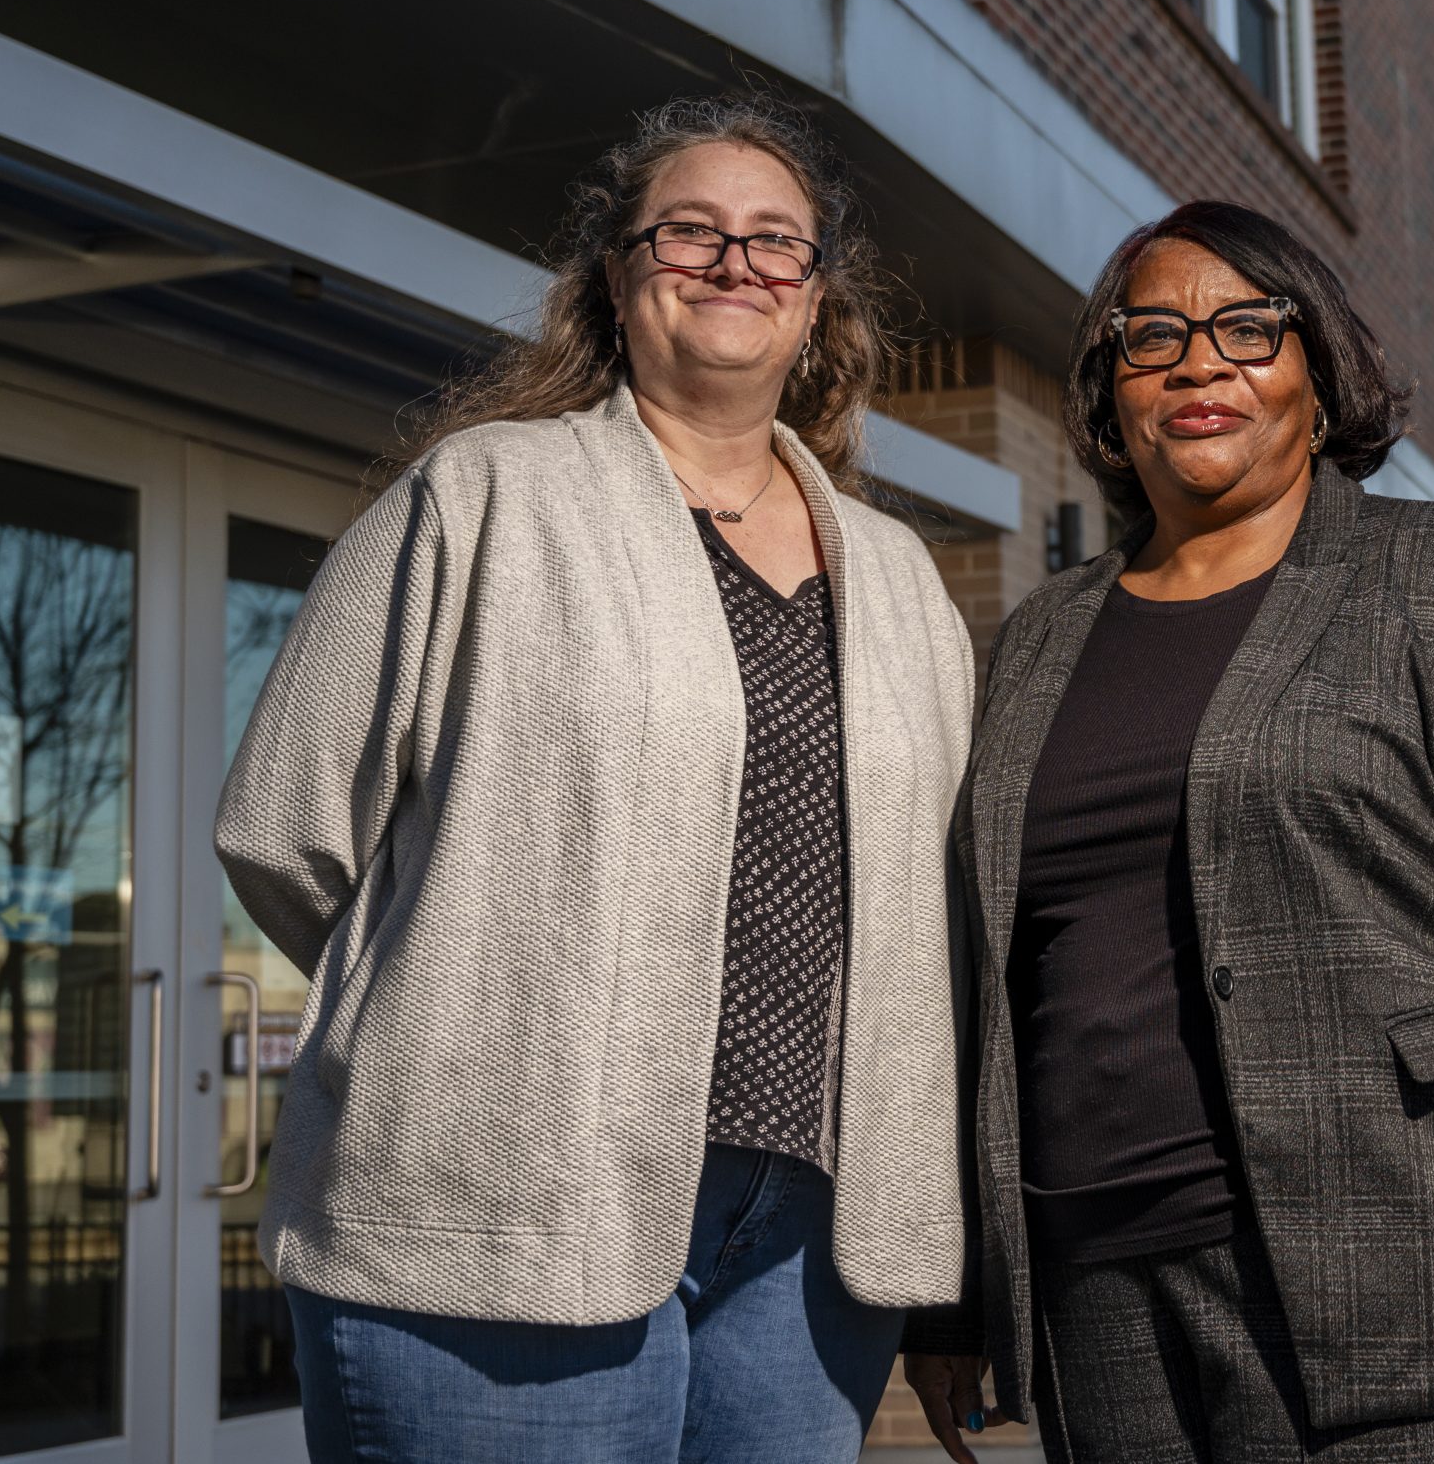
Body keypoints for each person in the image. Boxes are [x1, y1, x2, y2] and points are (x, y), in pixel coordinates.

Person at [215, 94, 975, 1463]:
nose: (734, 263)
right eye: (689, 233)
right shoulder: (483, 496)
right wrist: (461, 1019)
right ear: (617, 278)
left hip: (809, 1250)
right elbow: (287, 828)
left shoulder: (906, 579)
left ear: (815, 305)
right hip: (500, 1207)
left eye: (774, 242)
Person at [904, 201, 1434, 1464]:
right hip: (1095, 1280)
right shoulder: (1043, 634)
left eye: (1246, 327)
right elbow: (977, 978)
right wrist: (950, 1287)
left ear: (1317, 377)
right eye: (1151, 334)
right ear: (1113, 394)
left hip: (1393, 1256)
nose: (1199, 360)